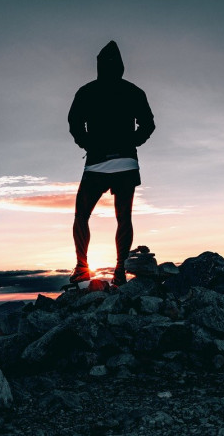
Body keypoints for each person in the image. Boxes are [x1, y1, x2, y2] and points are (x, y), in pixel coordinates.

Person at [68, 40, 155, 286]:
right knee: (124, 217)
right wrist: (131, 143)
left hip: (96, 163)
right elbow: (148, 124)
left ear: (98, 66)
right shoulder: (134, 91)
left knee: (81, 215)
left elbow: (74, 124)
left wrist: (88, 145)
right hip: (126, 163)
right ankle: (119, 271)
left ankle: (82, 268)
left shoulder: (86, 92)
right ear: (121, 65)